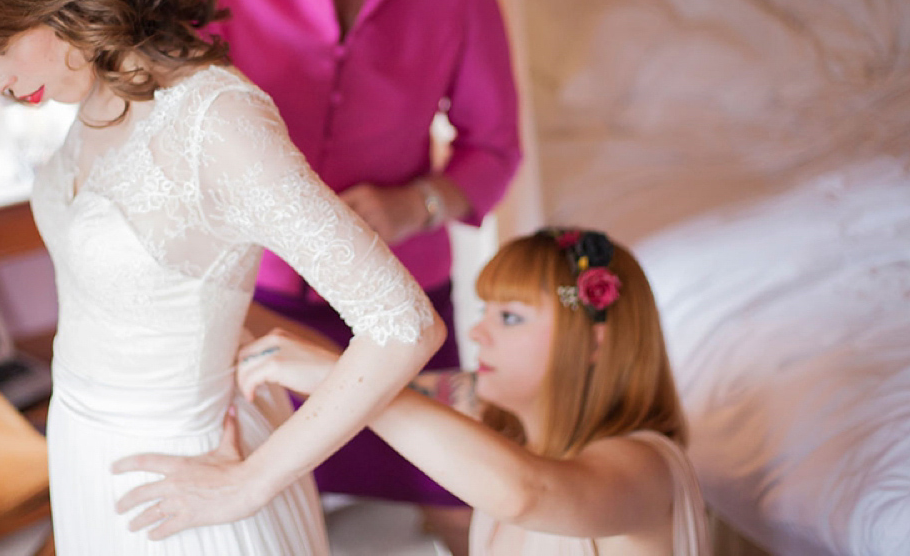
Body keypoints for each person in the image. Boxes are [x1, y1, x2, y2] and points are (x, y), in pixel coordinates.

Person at [0, 0, 445, 554]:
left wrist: (249, 484)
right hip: (89, 454)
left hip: (188, 485)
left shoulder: (215, 121)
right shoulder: (91, 94)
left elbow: (401, 323)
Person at [176, 0, 522, 549]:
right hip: (257, 283)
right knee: (262, 495)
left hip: (402, 294)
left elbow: (495, 146)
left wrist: (415, 204)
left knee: (453, 490)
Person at [237, 229, 712, 555]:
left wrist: (334, 380)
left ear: (593, 343)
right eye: (485, 310)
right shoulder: (481, 411)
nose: (479, 332)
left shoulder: (646, 468)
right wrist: (220, 295)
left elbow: (526, 493)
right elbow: (353, 370)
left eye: (510, 317)